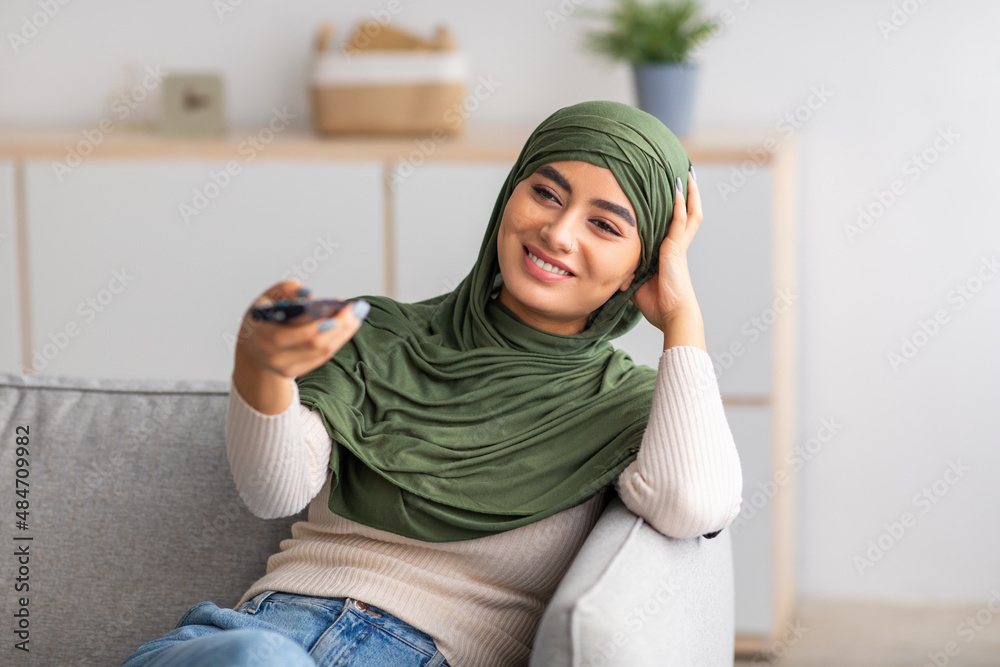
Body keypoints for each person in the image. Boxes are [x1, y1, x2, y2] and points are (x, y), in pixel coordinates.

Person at [119, 99, 743, 667]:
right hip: (250, 639)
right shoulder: (380, 334)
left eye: (605, 225)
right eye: (546, 193)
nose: (558, 232)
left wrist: (683, 318)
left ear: (646, 262)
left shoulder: (626, 404)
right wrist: (261, 365)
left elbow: (693, 504)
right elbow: (275, 490)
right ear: (509, 196)